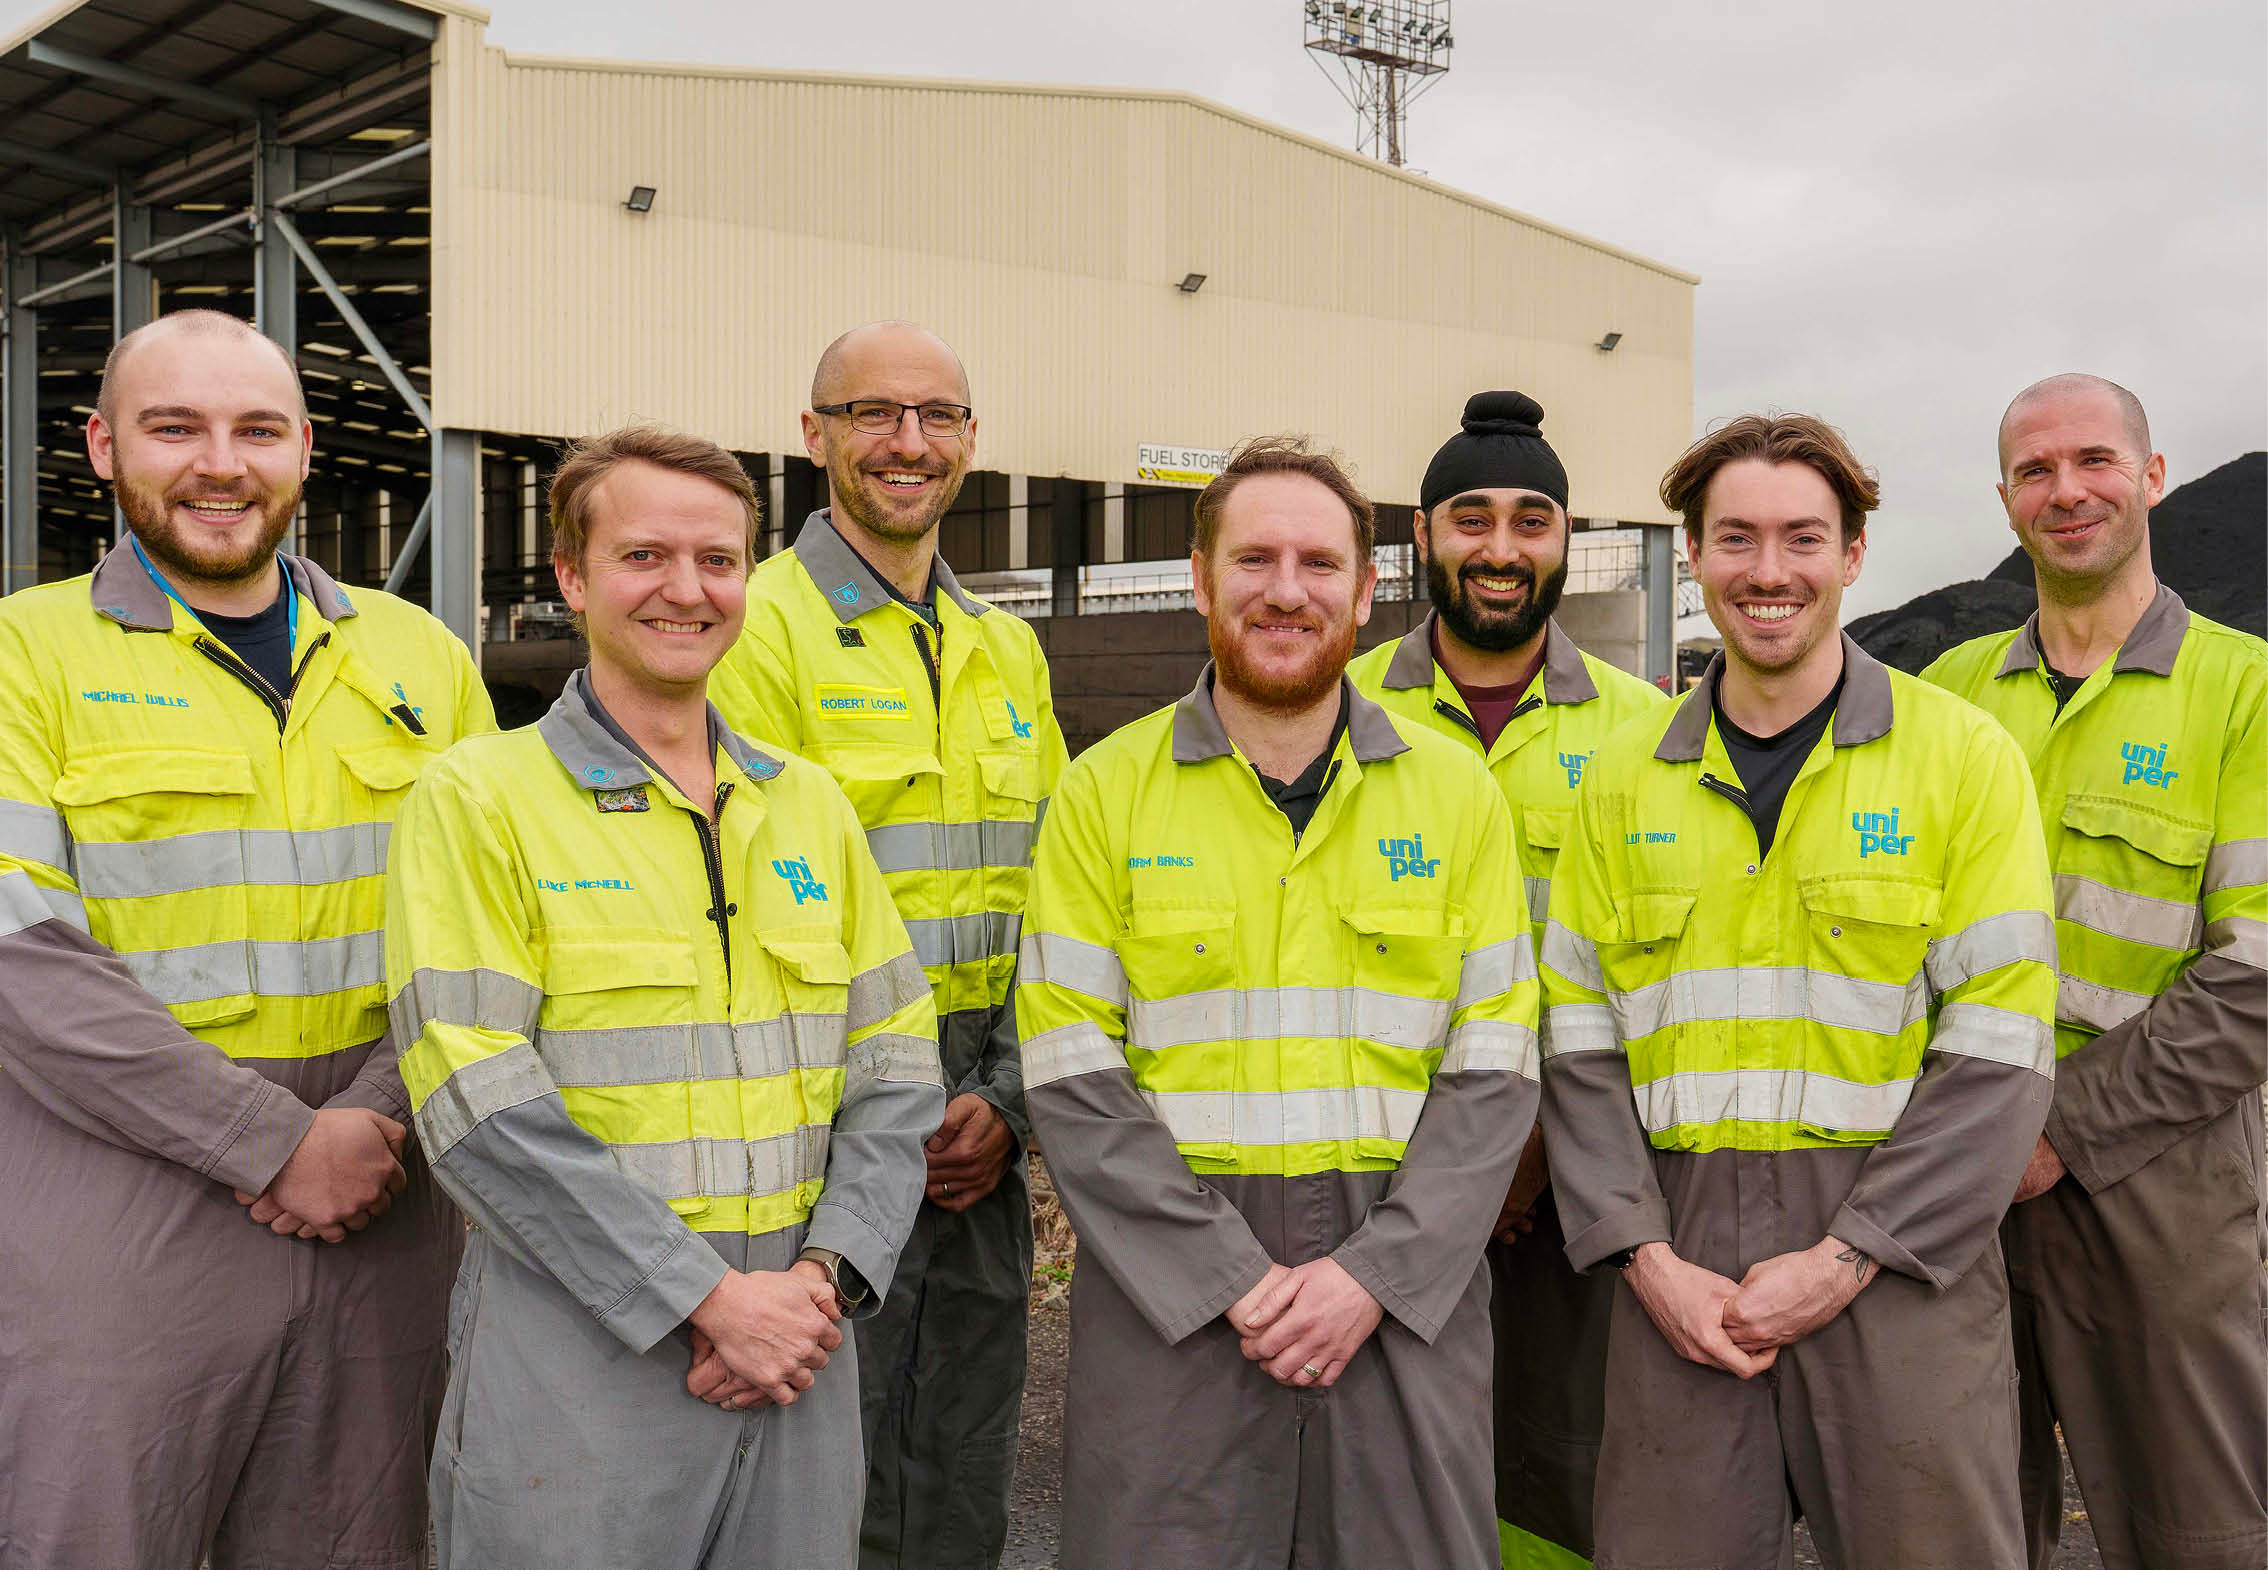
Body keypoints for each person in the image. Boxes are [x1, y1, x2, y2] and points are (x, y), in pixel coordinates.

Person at [386, 424, 944, 1568]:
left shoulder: (811, 808)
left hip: (801, 1343)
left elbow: (896, 1067)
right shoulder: (479, 799)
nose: (686, 591)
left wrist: (820, 1277)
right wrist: (706, 1300)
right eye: (644, 556)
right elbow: (474, 1097)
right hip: (582, 1355)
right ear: (572, 576)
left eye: (718, 560)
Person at [0, 309, 494, 1569]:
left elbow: (485, 927)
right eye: (176, 427)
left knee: (360, 1541)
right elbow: (24, 961)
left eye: (257, 428)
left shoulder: (423, 660)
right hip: (121, 1212)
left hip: (382, 1198)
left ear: (308, 448)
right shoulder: (25, 657)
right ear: (105, 447)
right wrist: (271, 1142)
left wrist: (373, 1119)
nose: (221, 462)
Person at [1540, 413, 2058, 1569]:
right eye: (1735, 538)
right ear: (1696, 554)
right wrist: (1643, 1258)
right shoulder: (1620, 781)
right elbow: (1574, 1046)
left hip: (1897, 1255)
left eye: (1802, 538)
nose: (1768, 572)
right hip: (1680, 1264)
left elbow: (2000, 1049)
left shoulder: (1962, 759)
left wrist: (1844, 1259)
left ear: (1855, 553)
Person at [1018, 435, 1540, 1570]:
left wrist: (1373, 1274)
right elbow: (1068, 1068)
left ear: (1366, 589)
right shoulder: (1103, 794)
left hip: (1403, 1300)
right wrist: (1231, 1279)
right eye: (1255, 560)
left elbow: (1496, 1067)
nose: (1287, 591)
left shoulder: (1456, 798)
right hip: (1179, 1312)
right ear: (1200, 580)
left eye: (1318, 563)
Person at [709, 321, 1066, 1569]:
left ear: (971, 440)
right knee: (820, 1457)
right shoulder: (753, 628)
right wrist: (903, 1104)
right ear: (815, 436)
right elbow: (745, 900)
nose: (908, 444)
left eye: (938, 416)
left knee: (964, 1448)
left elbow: (1058, 901)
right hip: (828, 1108)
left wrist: (1007, 1102)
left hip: (981, 1119)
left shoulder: (1005, 646)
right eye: (874, 415)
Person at [1922, 373, 2266, 1570]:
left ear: (2153, 475)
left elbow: (2261, 970)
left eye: (2095, 461)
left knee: (2199, 1530)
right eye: (2035, 470)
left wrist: (2062, 1130)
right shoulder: (1946, 696)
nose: (2067, 491)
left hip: (2160, 1181)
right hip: (1956, 1183)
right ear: (2007, 500)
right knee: (1954, 1526)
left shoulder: (2245, 693)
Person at [1348, 390, 1665, 1570]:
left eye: (1532, 519)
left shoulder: (1647, 732)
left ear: (1565, 538)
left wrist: (1534, 1145)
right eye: (1470, 517)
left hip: (1573, 1184)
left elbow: (1651, 972)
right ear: (1422, 537)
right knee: (1386, 1472)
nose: (1500, 548)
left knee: (1556, 1470)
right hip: (1382, 1178)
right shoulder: (1345, 711)